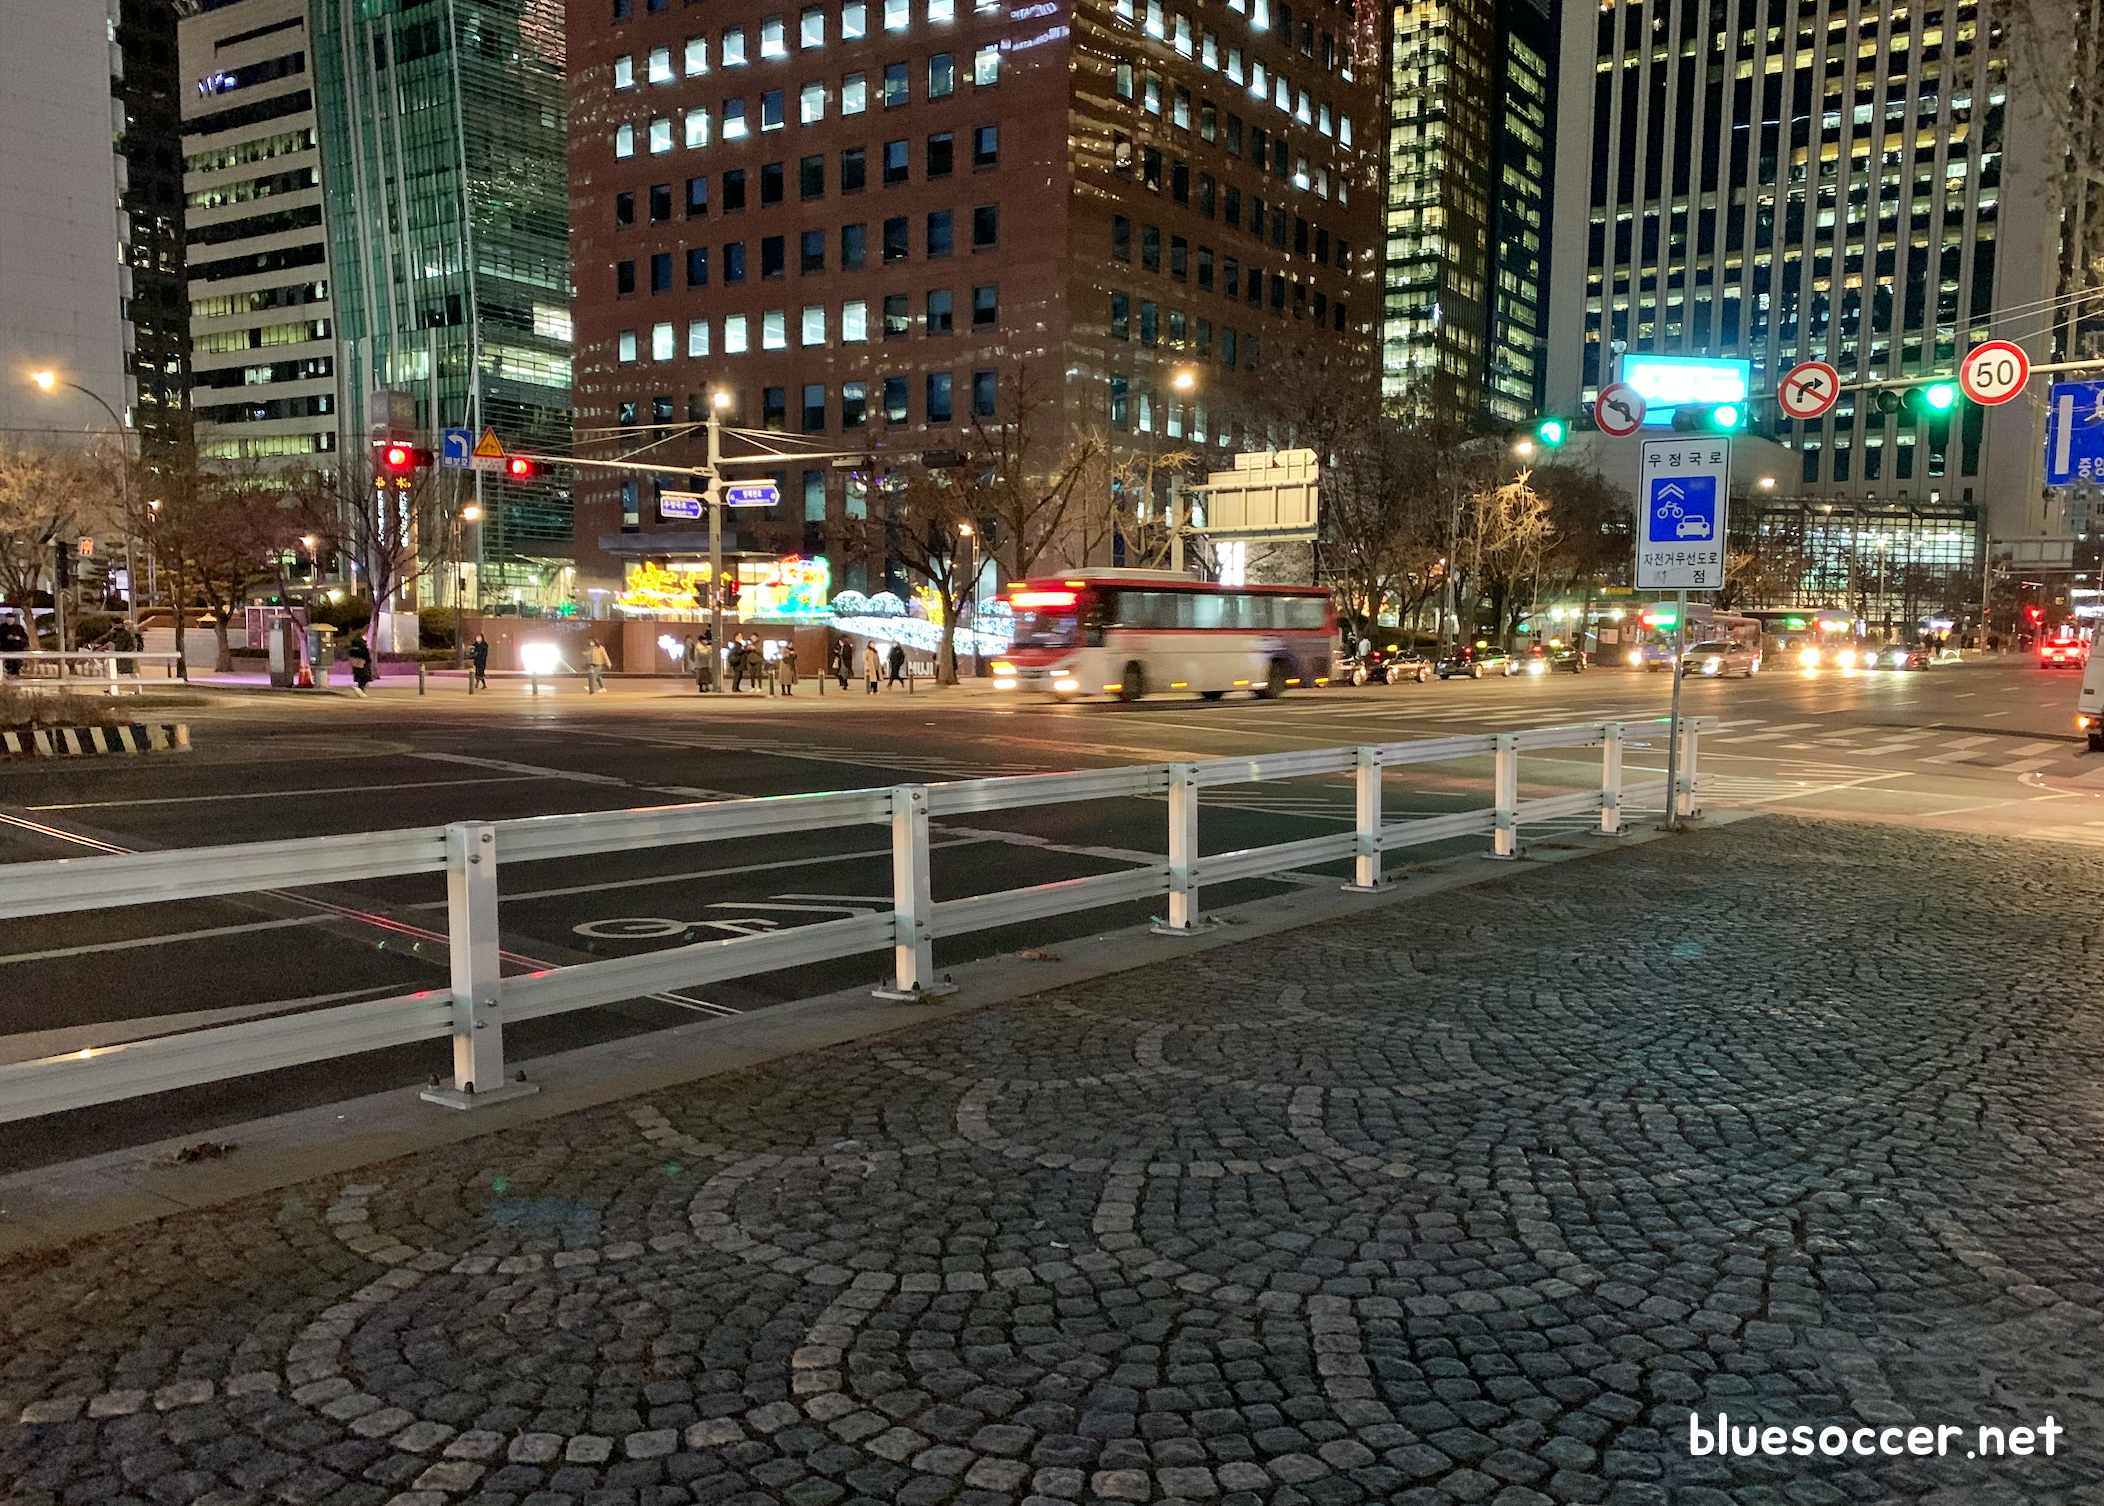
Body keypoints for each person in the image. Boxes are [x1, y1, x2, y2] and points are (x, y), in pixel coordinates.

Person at [346, 631, 374, 698]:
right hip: (362, 663)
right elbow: (366, 654)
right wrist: (368, 660)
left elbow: (350, 653)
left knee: (359, 677)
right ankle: (361, 690)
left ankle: (360, 689)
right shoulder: (362, 646)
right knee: (364, 677)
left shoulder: (353, 646)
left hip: (355, 663)